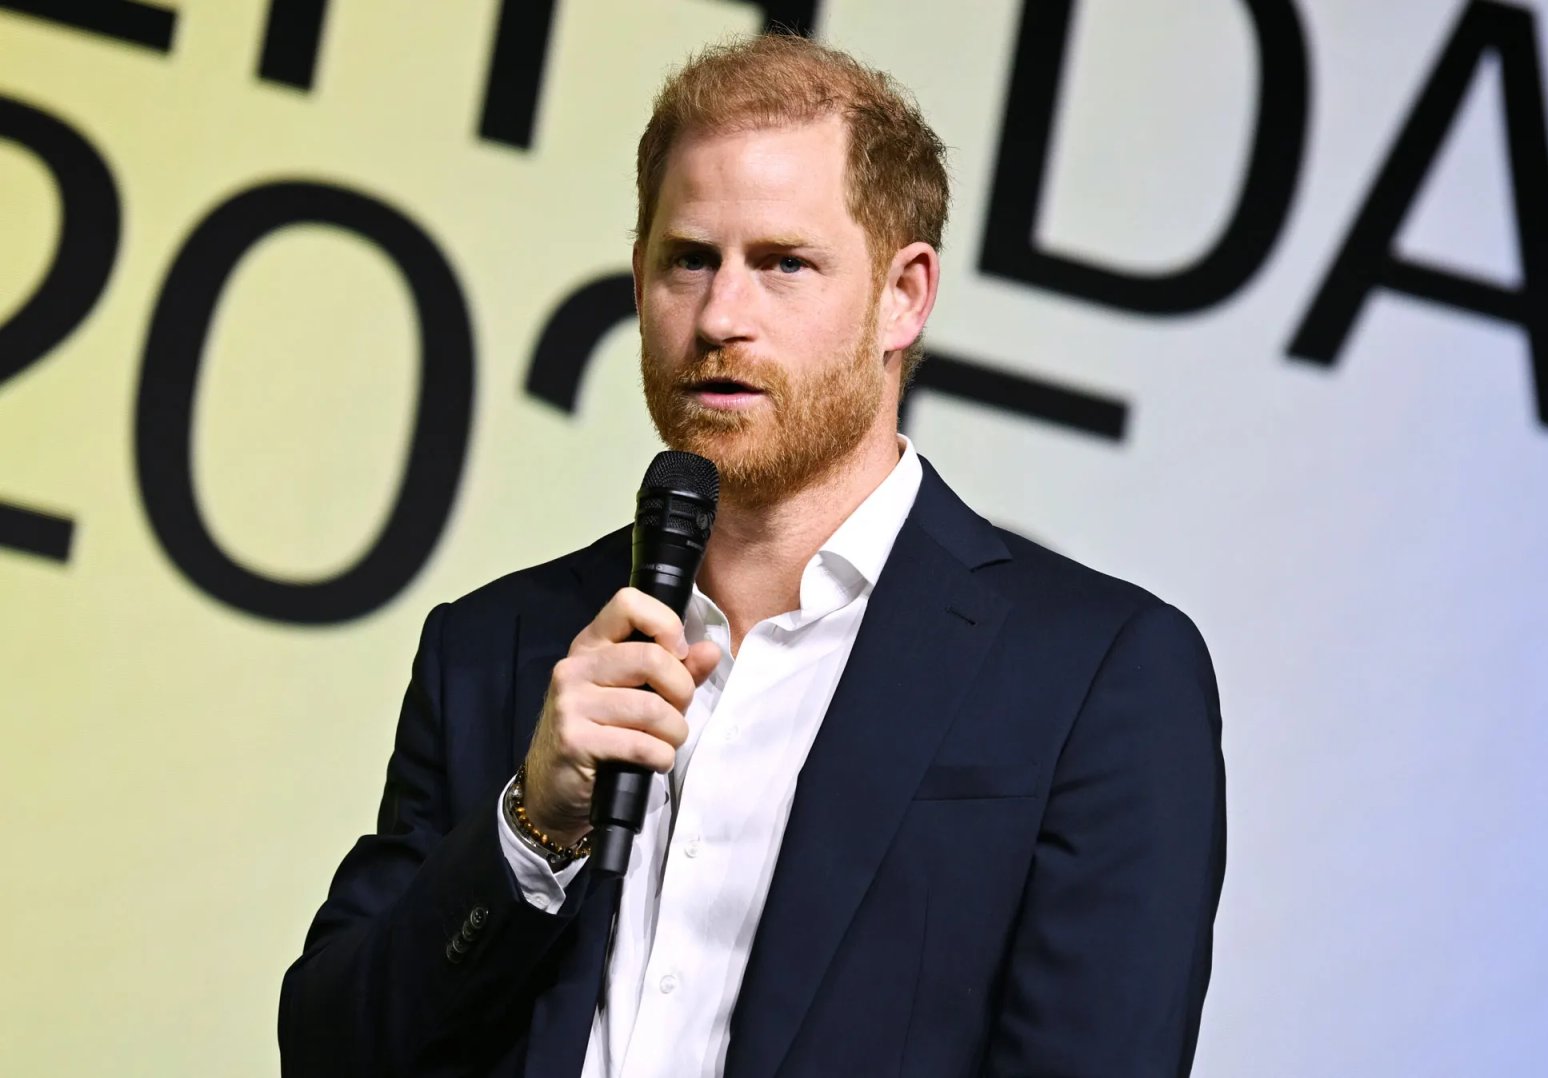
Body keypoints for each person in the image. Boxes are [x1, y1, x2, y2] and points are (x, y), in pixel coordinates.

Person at [280, 33, 1225, 1078]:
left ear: (903, 296)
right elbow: (331, 1053)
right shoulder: (497, 646)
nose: (721, 316)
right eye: (689, 259)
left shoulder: (1093, 674)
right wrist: (531, 827)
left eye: (783, 264)